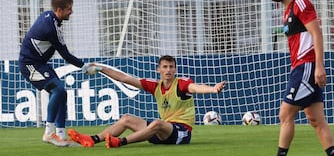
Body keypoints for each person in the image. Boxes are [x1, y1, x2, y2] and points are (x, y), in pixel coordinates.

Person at [68, 55, 226, 148]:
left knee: (157, 123)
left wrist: (212, 89)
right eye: (165, 67)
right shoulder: (154, 85)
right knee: (126, 119)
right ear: (159, 70)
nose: (168, 70)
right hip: (163, 133)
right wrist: (101, 68)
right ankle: (93, 139)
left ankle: (120, 142)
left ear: (175, 70)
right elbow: (124, 78)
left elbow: (195, 87)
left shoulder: (182, 84)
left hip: (181, 133)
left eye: (171, 67)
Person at [270, 0, 334, 156]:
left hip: (306, 66)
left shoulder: (300, 3)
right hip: (302, 67)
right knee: (316, 119)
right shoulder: (287, 12)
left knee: (285, 114)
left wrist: (319, 65)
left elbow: (316, 33)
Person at [19, 0, 88, 147]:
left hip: (40, 63)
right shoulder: (51, 28)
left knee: (62, 93)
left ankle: (61, 136)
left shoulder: (49, 17)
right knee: (58, 90)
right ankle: (49, 133)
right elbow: (66, 55)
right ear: (59, 9)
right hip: (29, 65)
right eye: (69, 9)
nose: (72, 12)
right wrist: (84, 66)